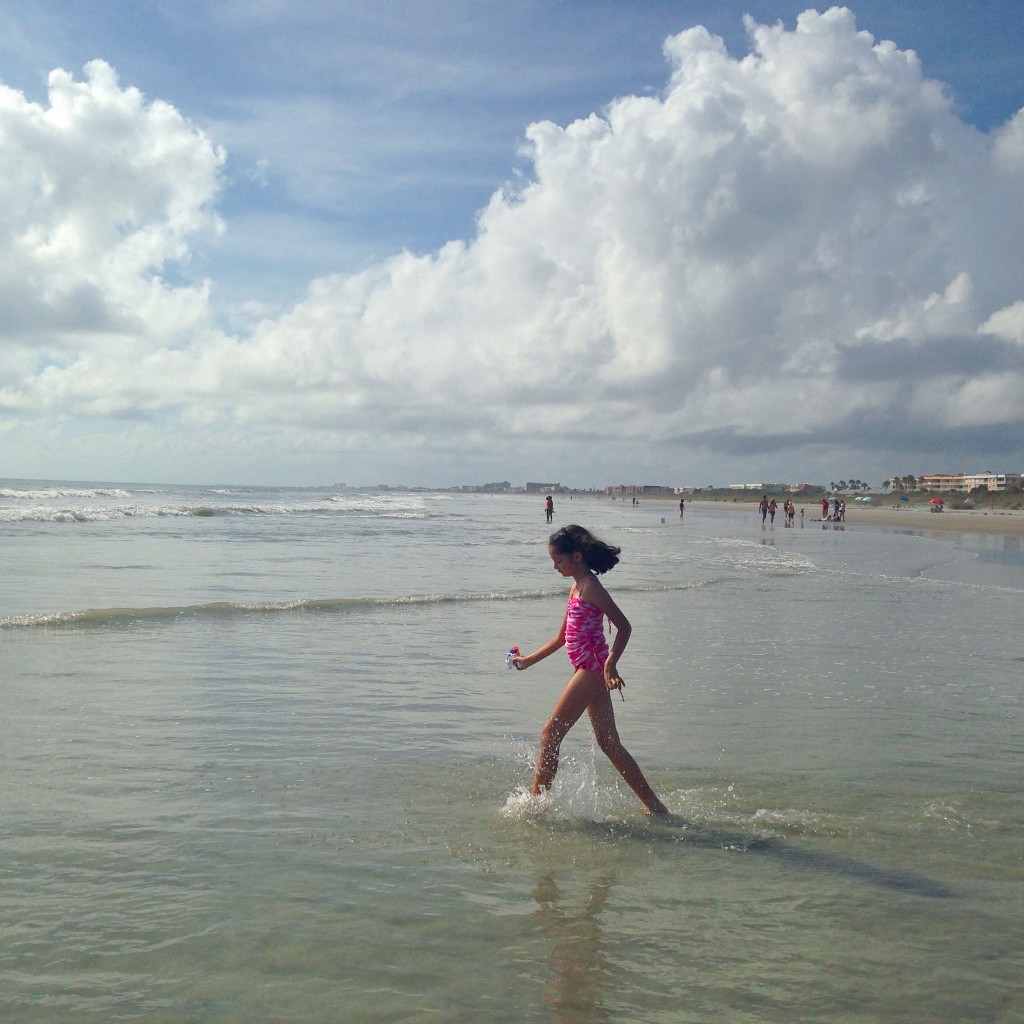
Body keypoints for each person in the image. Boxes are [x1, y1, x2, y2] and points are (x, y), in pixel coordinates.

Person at [512, 525, 668, 815]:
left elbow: (624, 626)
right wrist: (527, 660)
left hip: (593, 669)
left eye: (558, 561)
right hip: (587, 669)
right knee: (610, 745)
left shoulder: (592, 588)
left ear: (577, 557)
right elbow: (561, 638)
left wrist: (610, 665)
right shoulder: (576, 587)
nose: (555, 567)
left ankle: (535, 807)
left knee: (550, 734)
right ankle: (656, 808)